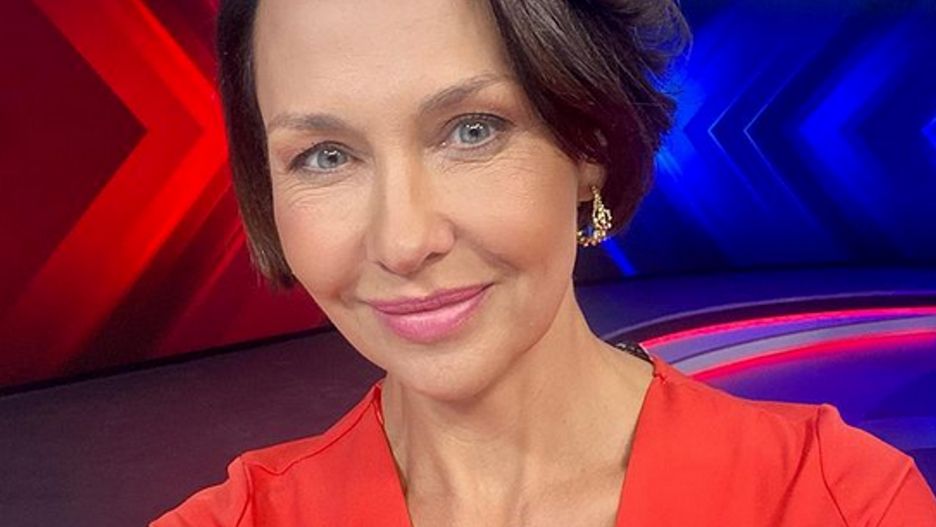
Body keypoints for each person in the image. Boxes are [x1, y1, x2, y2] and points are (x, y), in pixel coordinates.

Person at [151, 0, 936, 525]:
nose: (402, 240)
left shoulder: (839, 501)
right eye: (325, 155)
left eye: (473, 129)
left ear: (589, 144)